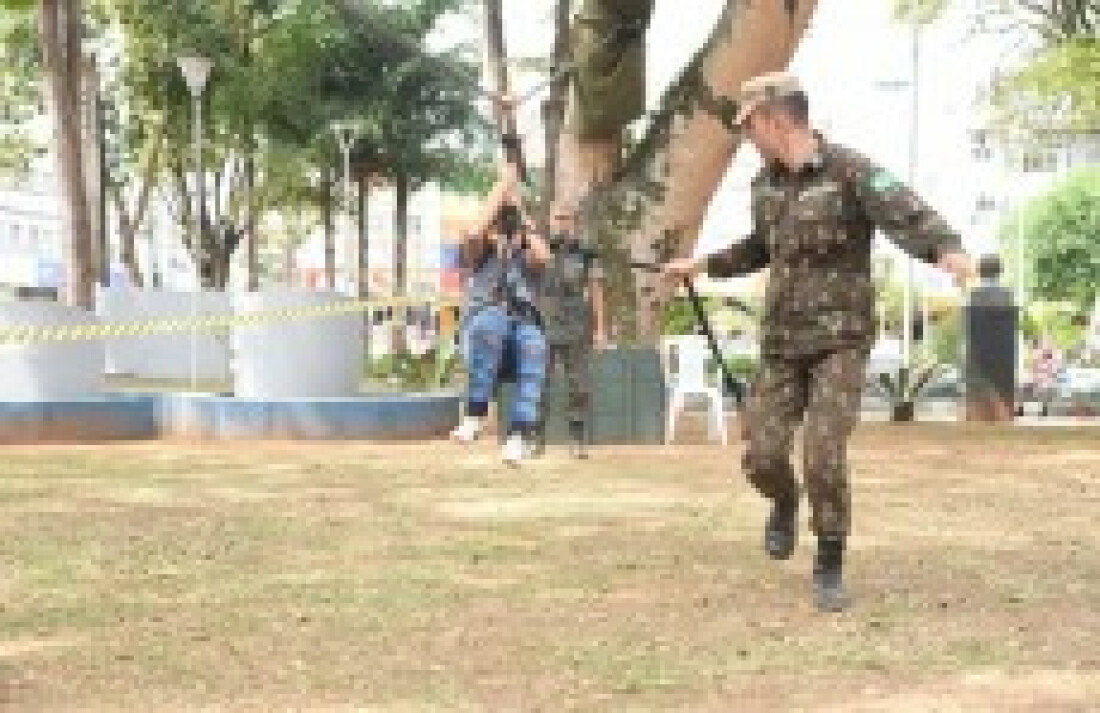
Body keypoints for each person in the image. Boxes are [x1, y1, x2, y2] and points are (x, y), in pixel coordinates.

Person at [663, 72, 975, 612]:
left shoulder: (849, 170)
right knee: (761, 455)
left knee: (823, 452)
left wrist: (946, 250)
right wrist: (704, 265)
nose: (747, 139)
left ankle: (829, 559)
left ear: (775, 119)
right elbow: (761, 247)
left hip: (840, 341)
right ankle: (783, 502)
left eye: (750, 127)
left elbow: (905, 209)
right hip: (783, 341)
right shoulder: (764, 186)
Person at [451, 156, 550, 465]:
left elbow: (544, 256)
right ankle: (475, 414)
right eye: (501, 225)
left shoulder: (528, 262)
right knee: (492, 321)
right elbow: (473, 233)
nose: (506, 232)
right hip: (483, 333)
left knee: (534, 340)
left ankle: (519, 435)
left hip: (519, 333)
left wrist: (521, 213)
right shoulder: (480, 256)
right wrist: (503, 185)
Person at [540, 200, 608, 458]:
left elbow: (596, 290)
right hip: (545, 321)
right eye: (558, 218)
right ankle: (535, 438)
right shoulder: (541, 248)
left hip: (577, 323)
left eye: (567, 218)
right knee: (540, 382)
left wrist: (600, 328)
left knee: (578, 385)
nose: (562, 223)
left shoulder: (587, 253)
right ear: (551, 221)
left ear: (575, 222)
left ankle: (576, 439)